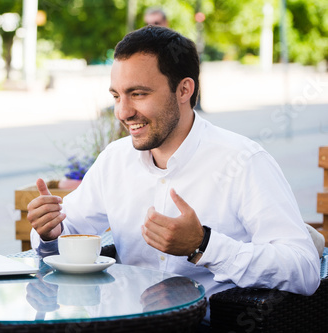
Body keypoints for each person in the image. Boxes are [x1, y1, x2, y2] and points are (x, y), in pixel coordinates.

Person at [27, 26, 320, 305]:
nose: (123, 112)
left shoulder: (243, 162)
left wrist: (203, 245)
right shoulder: (115, 159)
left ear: (184, 91)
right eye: (116, 96)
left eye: (138, 94)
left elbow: (304, 270)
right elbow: (68, 230)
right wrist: (51, 231)